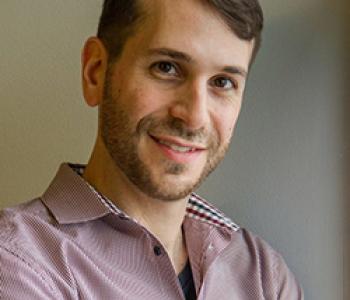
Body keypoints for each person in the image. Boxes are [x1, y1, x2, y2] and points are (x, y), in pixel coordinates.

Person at [0, 0, 303, 299]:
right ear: (96, 72)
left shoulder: (264, 276)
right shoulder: (18, 262)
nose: (195, 115)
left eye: (222, 82)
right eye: (167, 68)